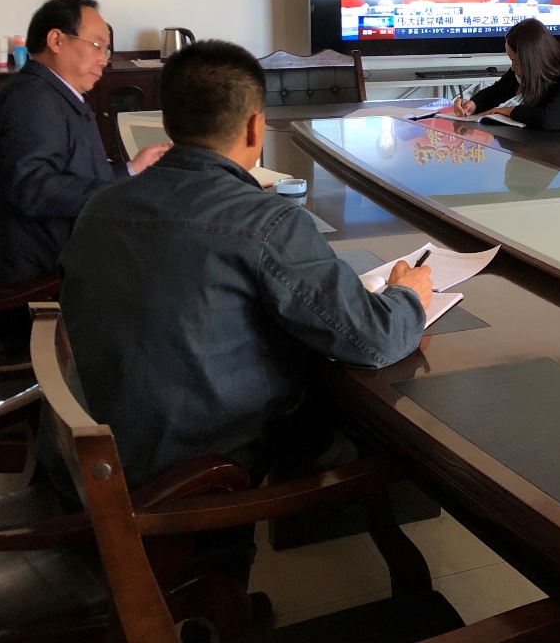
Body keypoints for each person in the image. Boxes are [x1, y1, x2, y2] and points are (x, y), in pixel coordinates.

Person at [56, 39, 431, 491]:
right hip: (194, 475)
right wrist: (408, 295)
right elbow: (375, 341)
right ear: (255, 126)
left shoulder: (101, 204)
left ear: (167, 123)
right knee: (378, 430)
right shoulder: (267, 222)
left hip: (100, 458)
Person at [0, 0, 169, 331]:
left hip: (37, 269)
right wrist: (123, 186)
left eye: (107, 50)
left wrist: (131, 170)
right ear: (56, 40)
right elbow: (33, 188)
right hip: (28, 292)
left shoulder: (45, 92)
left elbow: (68, 174)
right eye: (97, 45)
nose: (103, 60)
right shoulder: (33, 100)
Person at [450, 18, 560, 135]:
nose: (513, 67)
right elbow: (497, 92)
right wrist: (474, 104)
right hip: (546, 146)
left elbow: (549, 119)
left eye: (516, 62)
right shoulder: (529, 71)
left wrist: (509, 111)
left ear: (533, 61)